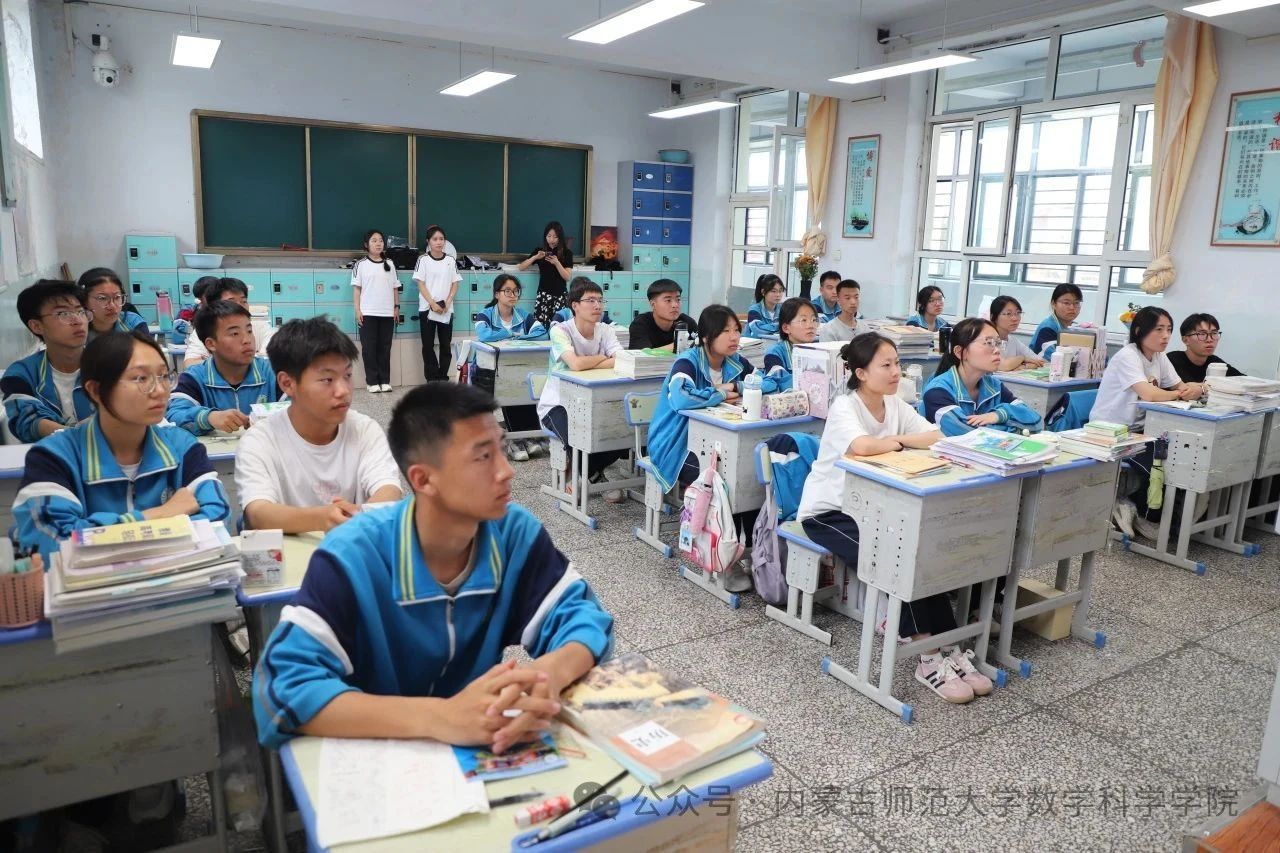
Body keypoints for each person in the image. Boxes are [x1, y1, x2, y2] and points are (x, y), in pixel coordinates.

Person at [251, 381, 614, 751]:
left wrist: (548, 674)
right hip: (378, 751)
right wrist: (440, 717)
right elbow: (280, 691)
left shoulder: (512, 534)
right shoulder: (353, 555)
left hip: (479, 747)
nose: (506, 471)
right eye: (483, 457)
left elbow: (586, 618)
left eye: (501, 450)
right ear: (423, 479)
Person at [796, 333, 987, 705]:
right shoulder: (845, 407)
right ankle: (927, 658)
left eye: (897, 363)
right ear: (861, 373)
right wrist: (900, 441)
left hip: (876, 510)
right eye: (886, 365)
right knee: (893, 556)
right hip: (830, 512)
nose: (896, 371)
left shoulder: (894, 404)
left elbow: (935, 435)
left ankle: (949, 648)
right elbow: (863, 446)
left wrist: (897, 439)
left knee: (918, 553)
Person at [14, 330, 230, 558]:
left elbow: (217, 518)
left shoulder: (181, 446)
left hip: (175, 578)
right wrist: (159, 514)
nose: (160, 390)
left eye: (163, 376)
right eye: (141, 378)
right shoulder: (53, 456)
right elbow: (52, 541)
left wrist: (106, 534)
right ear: (96, 390)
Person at [234, 317, 403, 534]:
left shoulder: (364, 429)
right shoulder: (260, 441)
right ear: (287, 383)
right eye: (327, 380)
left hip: (352, 550)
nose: (343, 391)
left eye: (347, 375)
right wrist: (324, 518)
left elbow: (389, 488)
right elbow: (258, 513)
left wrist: (356, 518)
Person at [646, 305, 779, 566]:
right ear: (706, 336)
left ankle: (749, 549)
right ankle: (721, 555)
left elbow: (770, 381)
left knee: (748, 474)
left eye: (736, 330)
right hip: (676, 443)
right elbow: (681, 398)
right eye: (725, 331)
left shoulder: (736, 362)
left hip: (718, 442)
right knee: (725, 480)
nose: (734, 337)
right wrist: (719, 393)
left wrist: (735, 385)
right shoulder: (688, 362)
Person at [1091, 306, 1203, 540]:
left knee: (1177, 457)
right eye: (1159, 329)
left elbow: (1179, 386)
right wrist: (1180, 394)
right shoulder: (1128, 356)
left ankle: (1143, 508)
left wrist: (1195, 389)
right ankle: (1143, 514)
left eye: (1169, 330)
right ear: (1139, 331)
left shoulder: (1159, 357)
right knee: (1157, 464)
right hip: (1110, 430)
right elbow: (1149, 394)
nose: (1165, 336)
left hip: (1140, 431)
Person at [536, 279, 626, 502]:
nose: (597, 306)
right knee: (577, 437)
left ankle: (586, 472)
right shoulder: (560, 330)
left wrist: (589, 361)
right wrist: (603, 358)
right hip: (557, 403)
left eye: (600, 300)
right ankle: (593, 475)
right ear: (575, 305)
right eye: (590, 300)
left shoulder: (605, 330)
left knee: (620, 433)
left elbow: (622, 360)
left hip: (593, 400)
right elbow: (575, 364)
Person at [167, 301, 281, 435]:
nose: (247, 340)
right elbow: (174, 415)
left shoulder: (273, 372)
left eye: (249, 331)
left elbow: (297, 407)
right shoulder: (194, 378)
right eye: (235, 334)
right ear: (211, 344)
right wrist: (209, 417)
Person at [3, 280, 94, 442]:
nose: (78, 320)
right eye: (63, 314)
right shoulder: (21, 374)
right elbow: (28, 422)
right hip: (49, 454)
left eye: (80, 312)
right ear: (36, 326)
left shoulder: (110, 364)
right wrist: (78, 437)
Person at [922, 317, 1042, 436]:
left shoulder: (994, 385)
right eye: (989, 343)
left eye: (998, 343)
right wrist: (1018, 430)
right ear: (960, 352)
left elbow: (1036, 421)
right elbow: (967, 434)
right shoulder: (938, 390)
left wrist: (999, 415)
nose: (997, 350)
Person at [473, 274, 548, 462]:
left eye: (516, 291)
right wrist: (510, 333)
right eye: (507, 291)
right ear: (497, 294)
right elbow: (484, 335)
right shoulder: (485, 315)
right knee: (510, 387)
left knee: (524, 386)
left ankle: (529, 436)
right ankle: (517, 440)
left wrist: (517, 337)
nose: (513, 295)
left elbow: (541, 333)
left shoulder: (524, 315)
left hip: (520, 366)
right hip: (490, 370)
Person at [183, 277, 275, 367]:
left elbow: (271, 359)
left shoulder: (261, 326)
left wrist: (215, 360)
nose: (240, 306)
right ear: (215, 305)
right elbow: (191, 363)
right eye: (231, 301)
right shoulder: (206, 330)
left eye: (243, 301)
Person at [353, 228, 401, 393]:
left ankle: (385, 380)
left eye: (380, 240)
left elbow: (395, 288)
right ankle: (372, 381)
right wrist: (357, 310)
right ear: (366, 245)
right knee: (369, 348)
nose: (378, 243)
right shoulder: (360, 265)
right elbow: (357, 289)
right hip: (368, 313)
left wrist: (396, 307)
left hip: (387, 313)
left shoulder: (390, 264)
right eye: (374, 241)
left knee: (385, 348)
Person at [412, 225, 461, 382]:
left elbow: (455, 283)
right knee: (428, 345)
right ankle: (432, 378)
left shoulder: (450, 260)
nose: (439, 242)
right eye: (435, 239)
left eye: (441, 239)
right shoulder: (423, 260)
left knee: (446, 345)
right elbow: (421, 284)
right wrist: (432, 303)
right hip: (427, 308)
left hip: (446, 309)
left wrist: (448, 301)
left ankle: (443, 377)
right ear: (428, 241)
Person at [517, 220, 574, 327]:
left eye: (555, 237)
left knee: (559, 328)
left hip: (560, 296)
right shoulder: (540, 251)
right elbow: (521, 267)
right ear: (545, 236)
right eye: (549, 236)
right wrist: (535, 257)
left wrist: (557, 263)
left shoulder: (567, 253)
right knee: (540, 327)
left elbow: (567, 277)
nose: (551, 240)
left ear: (560, 238)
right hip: (543, 295)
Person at [79, 268, 152, 342]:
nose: (112, 306)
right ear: (85, 300)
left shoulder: (133, 323)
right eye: (103, 298)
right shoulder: (77, 328)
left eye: (117, 297)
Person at [1166, 313, 1243, 383]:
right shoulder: (1171, 360)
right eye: (1202, 334)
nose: (1209, 339)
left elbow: (1243, 380)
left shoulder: (1214, 362)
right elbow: (1186, 389)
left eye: (1214, 333)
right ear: (1185, 340)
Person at [764, 298, 820, 392]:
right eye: (803, 320)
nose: (811, 326)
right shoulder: (774, 353)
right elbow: (783, 384)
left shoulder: (819, 350)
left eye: (814, 320)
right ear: (786, 328)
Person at [627, 278, 697, 351]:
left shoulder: (687, 322)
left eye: (678, 300)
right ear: (653, 304)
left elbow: (700, 346)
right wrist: (678, 345)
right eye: (668, 300)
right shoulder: (640, 323)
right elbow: (642, 354)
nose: (675, 305)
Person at [990, 296, 1045, 372]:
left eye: (1018, 313)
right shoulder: (989, 339)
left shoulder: (1013, 341)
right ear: (993, 317)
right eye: (1008, 314)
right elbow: (1003, 365)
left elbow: (1040, 361)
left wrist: (1024, 366)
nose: (1015, 318)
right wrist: (1022, 358)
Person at [1030, 284, 1084, 358]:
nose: (1072, 307)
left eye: (1076, 303)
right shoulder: (1047, 329)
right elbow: (1052, 359)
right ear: (1054, 304)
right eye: (1066, 303)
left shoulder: (1074, 327)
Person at [818, 279, 865, 343]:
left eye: (856, 297)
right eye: (847, 298)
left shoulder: (864, 327)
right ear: (838, 300)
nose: (853, 302)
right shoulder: (829, 329)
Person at [745, 274, 786, 338]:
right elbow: (758, 330)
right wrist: (782, 326)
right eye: (773, 291)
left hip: (773, 342)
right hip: (755, 343)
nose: (778, 295)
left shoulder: (783, 309)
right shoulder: (754, 310)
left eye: (780, 291)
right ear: (763, 292)